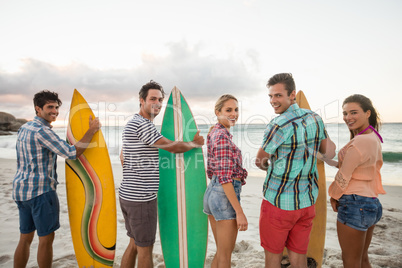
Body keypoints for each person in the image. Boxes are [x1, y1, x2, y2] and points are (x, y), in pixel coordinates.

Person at [119, 80, 204, 268]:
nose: (157, 103)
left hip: (127, 195)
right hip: (141, 199)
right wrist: (194, 144)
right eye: (152, 99)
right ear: (141, 100)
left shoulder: (132, 123)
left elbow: (122, 157)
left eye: (160, 100)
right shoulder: (145, 125)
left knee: (134, 243)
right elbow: (172, 147)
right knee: (145, 250)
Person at [12, 90, 101, 268]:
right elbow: (71, 153)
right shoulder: (42, 131)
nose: (55, 111)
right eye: (49, 107)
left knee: (25, 237)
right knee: (46, 239)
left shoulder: (25, 128)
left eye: (56, 107)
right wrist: (91, 131)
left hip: (21, 191)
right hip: (41, 193)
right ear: (38, 109)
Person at [255, 73, 336, 268]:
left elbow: (260, 160)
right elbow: (328, 151)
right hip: (307, 202)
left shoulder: (278, 124)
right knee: (299, 258)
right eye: (270, 96)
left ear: (292, 95)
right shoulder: (315, 118)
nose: (273, 101)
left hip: (278, 203)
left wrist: (269, 166)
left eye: (278, 96)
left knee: (273, 259)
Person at [326, 94, 385, 268]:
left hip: (354, 204)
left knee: (350, 261)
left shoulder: (359, 141)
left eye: (353, 112)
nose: (348, 118)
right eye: (345, 113)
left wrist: (333, 196)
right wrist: (322, 158)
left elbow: (344, 176)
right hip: (371, 204)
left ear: (368, 113)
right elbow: (355, 167)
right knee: (362, 259)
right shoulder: (374, 138)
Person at [203, 94, 248, 268]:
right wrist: (239, 211)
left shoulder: (215, 131)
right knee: (225, 258)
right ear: (217, 112)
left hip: (214, 193)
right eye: (228, 110)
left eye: (236, 110)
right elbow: (224, 177)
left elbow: (212, 171)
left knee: (222, 253)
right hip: (224, 195)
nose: (234, 114)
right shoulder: (222, 136)